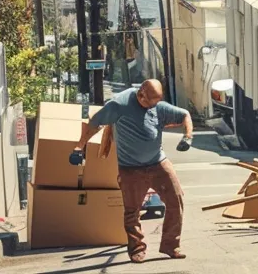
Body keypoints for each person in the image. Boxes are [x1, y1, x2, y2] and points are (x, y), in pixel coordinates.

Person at [75, 79, 193, 263]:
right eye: (150, 102)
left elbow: (185, 115)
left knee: (176, 199)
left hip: (158, 162)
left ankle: (171, 245)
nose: (153, 106)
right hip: (130, 168)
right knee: (132, 211)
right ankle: (137, 249)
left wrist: (188, 136)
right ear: (141, 94)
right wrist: (79, 147)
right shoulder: (119, 104)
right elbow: (94, 123)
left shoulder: (157, 106)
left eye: (156, 101)